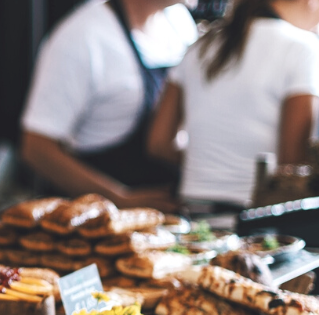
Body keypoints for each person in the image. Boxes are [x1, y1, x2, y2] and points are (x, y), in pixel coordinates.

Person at [147, 0, 319, 212]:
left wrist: (213, 165)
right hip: (255, 218)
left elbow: (159, 144)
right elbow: (291, 165)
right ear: (312, 2)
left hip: (193, 212)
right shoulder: (303, 49)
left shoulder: (200, 45)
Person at [21, 0, 198, 212]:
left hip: (169, 219)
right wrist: (120, 199)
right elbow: (37, 149)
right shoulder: (82, 38)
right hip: (100, 222)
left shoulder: (180, 24)